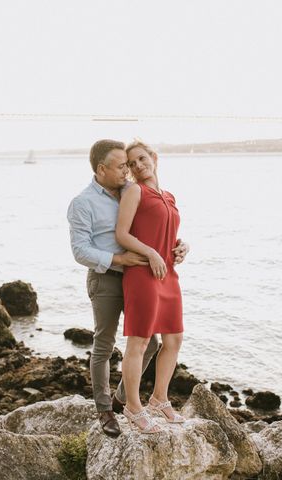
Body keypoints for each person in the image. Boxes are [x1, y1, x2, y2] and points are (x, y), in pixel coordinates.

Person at [67, 139, 189, 438]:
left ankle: (125, 399)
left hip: (140, 274)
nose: (129, 170)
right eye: (123, 166)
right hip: (107, 276)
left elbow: (153, 226)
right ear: (101, 168)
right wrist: (120, 258)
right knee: (104, 344)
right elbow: (80, 250)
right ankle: (105, 409)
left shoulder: (130, 190)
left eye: (132, 163)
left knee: (150, 344)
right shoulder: (83, 203)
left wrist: (179, 246)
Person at [115, 140, 186, 434]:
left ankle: (159, 399)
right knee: (140, 342)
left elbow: (167, 234)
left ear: (154, 158)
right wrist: (152, 253)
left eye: (142, 159)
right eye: (131, 163)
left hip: (167, 274)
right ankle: (133, 407)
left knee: (174, 340)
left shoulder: (168, 196)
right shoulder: (135, 192)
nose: (138, 166)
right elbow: (122, 234)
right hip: (143, 274)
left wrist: (182, 247)